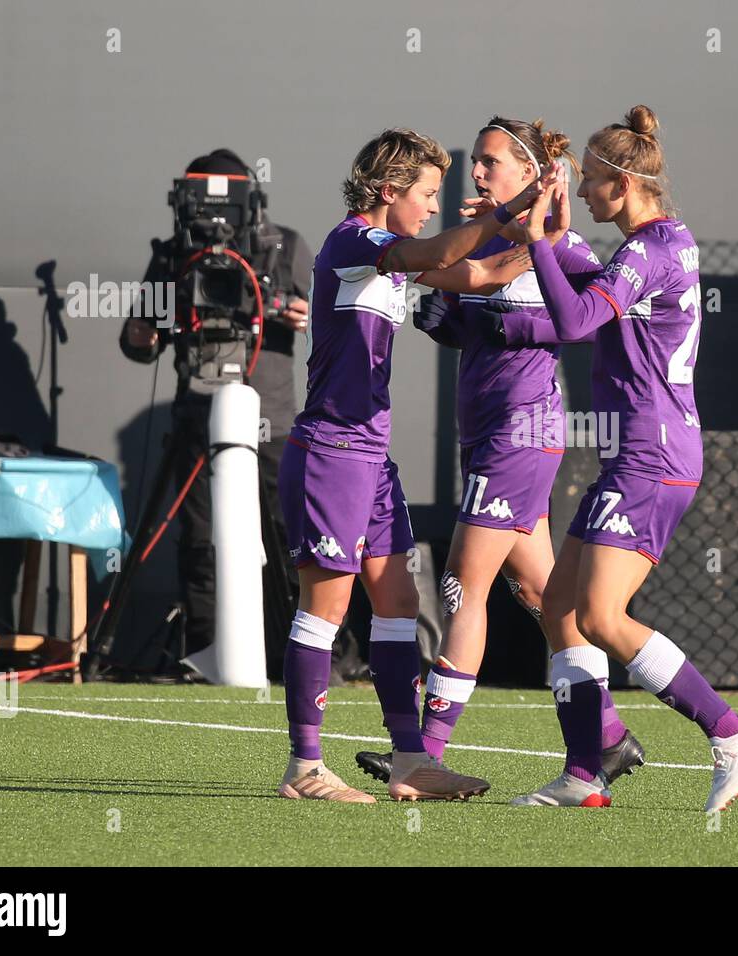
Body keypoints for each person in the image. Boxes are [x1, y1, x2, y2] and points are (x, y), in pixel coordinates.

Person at [353, 117, 646, 797]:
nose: (477, 174)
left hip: (523, 429)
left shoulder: (556, 243)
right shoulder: (507, 236)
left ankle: (422, 756)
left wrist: (495, 311)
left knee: (462, 582)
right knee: (545, 595)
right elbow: (472, 294)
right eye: (478, 162)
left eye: (489, 162)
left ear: (528, 173)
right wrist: (449, 318)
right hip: (486, 429)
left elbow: (595, 312)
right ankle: (608, 735)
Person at [276, 128, 555, 802]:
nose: (434, 204)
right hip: (331, 452)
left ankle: (410, 762)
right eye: (427, 192)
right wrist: (499, 215)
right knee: (329, 603)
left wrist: (543, 236)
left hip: (369, 458)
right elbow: (436, 249)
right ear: (388, 191)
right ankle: (305, 769)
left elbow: (481, 273)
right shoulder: (354, 243)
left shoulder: (390, 257)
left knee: (400, 602)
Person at [507, 106, 738, 811]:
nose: (586, 192)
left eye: (593, 181)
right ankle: (586, 773)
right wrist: (555, 239)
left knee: (598, 616)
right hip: (644, 454)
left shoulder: (646, 251)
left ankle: (730, 731)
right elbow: (598, 290)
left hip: (651, 460)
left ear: (624, 185)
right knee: (556, 604)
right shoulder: (664, 240)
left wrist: (537, 242)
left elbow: (574, 321)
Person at [119, 148, 312, 676]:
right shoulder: (174, 255)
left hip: (268, 417)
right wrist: (142, 334)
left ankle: (303, 655)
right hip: (197, 415)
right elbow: (140, 341)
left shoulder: (284, 245)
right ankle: (204, 653)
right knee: (200, 539)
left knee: (287, 534)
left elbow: (318, 317)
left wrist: (301, 314)